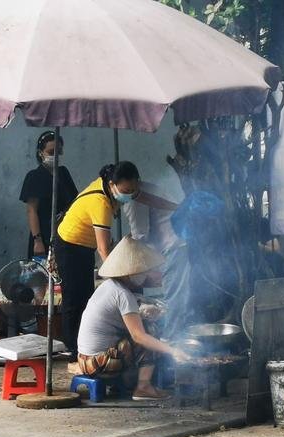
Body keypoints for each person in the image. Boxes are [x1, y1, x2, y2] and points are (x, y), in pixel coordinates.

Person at [77, 236, 186, 400]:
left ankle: (129, 383)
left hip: (85, 360)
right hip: (100, 364)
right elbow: (138, 337)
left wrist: (144, 311)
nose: (147, 275)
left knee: (144, 330)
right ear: (131, 274)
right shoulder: (122, 294)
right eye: (143, 272)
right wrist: (173, 351)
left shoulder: (109, 286)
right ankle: (143, 387)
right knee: (149, 332)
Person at [55, 161, 141, 360]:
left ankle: (83, 346)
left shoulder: (107, 187)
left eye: (133, 190)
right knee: (73, 298)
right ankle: (72, 349)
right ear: (113, 184)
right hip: (69, 245)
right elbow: (104, 250)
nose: (129, 194)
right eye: (126, 190)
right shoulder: (100, 202)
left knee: (86, 295)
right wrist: (119, 279)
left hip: (84, 246)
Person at [122, 178, 191, 340]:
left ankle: (172, 344)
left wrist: (140, 270)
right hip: (177, 244)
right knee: (178, 295)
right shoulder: (149, 187)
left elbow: (139, 236)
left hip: (174, 247)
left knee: (174, 297)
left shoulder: (134, 199)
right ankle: (176, 337)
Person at [19, 131, 78, 259]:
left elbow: (74, 202)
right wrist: (38, 241)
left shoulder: (63, 173)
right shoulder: (34, 177)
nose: (55, 156)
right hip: (44, 236)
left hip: (66, 235)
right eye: (51, 152)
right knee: (45, 274)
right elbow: (31, 211)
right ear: (41, 153)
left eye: (58, 152)